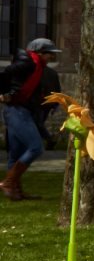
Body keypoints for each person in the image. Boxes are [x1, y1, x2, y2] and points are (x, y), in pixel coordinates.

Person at [0, 37, 61, 202]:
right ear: (39, 53)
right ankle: (8, 182)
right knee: (35, 147)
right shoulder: (28, 63)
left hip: (20, 110)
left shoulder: (38, 67)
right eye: (49, 54)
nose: (51, 58)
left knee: (15, 153)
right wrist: (4, 94)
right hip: (16, 111)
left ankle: (16, 192)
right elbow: (5, 74)